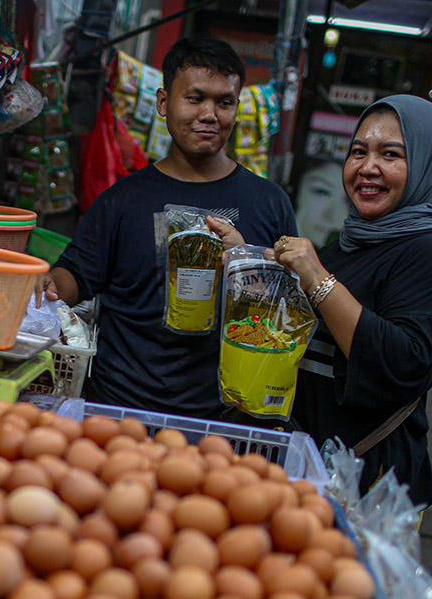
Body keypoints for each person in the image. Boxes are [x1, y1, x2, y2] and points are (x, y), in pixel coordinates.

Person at [38, 37, 297, 419]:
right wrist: (46, 283)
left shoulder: (270, 203)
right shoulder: (121, 200)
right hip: (119, 409)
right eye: (195, 98)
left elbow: (288, 311)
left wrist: (244, 262)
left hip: (225, 417)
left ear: (236, 109)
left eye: (224, 102)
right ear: (163, 103)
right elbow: (76, 274)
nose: (209, 113)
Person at [266, 95, 432, 507]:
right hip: (309, 471)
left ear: (428, 165)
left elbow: (406, 364)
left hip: (368, 486)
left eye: (390, 154)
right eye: (358, 151)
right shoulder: (347, 244)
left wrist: (319, 279)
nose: (367, 167)